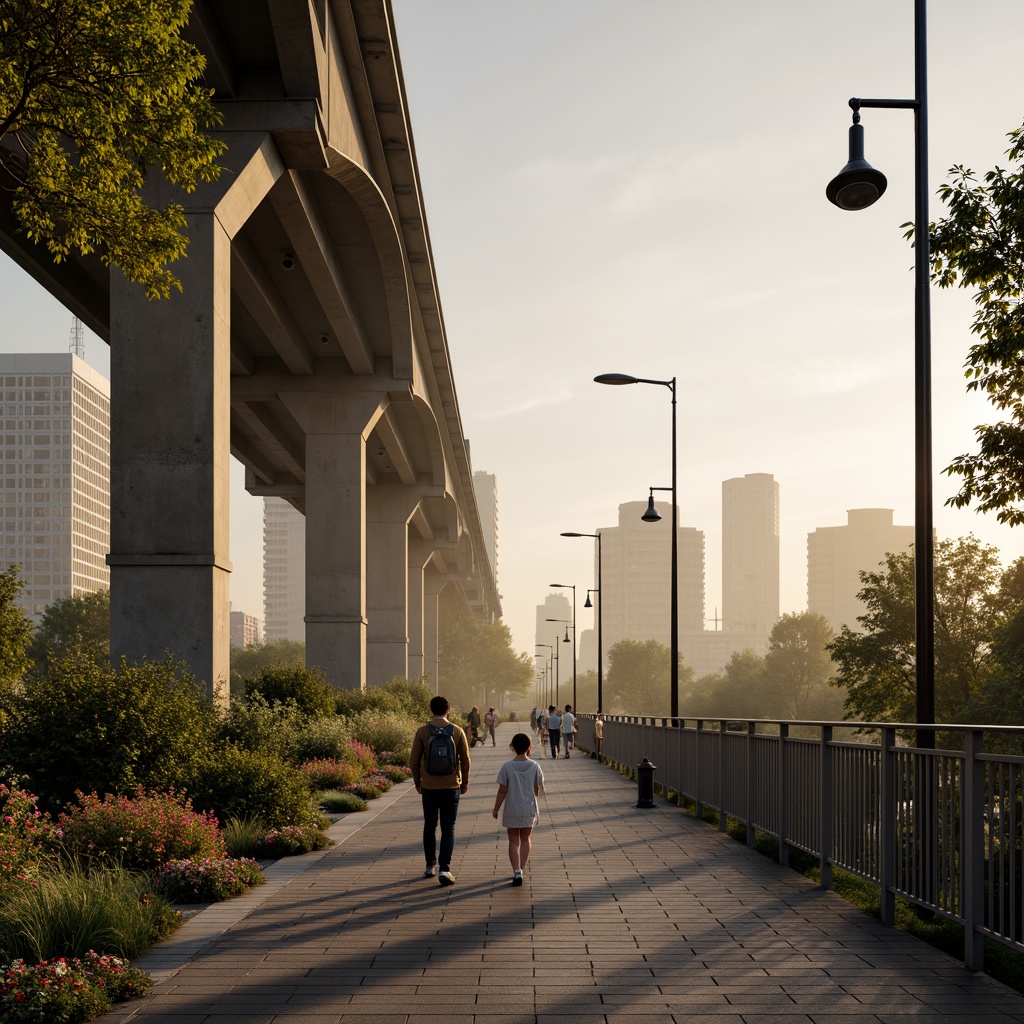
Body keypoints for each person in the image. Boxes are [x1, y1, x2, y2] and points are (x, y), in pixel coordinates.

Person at [410, 695, 471, 886]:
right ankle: (445, 868)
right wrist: (464, 782)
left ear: (431, 710)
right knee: (448, 827)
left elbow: (413, 760)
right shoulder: (458, 731)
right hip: (451, 785)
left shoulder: (422, 731)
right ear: (448, 710)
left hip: (429, 786)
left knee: (430, 825)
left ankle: (430, 865)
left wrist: (417, 781)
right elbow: (466, 760)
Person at [492, 732, 544, 886]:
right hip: (528, 808)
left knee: (513, 840)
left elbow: (502, 790)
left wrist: (496, 808)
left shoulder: (507, 767)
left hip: (512, 808)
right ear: (529, 747)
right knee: (526, 839)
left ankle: (516, 871)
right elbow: (537, 789)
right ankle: (521, 868)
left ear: (512, 747)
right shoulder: (535, 766)